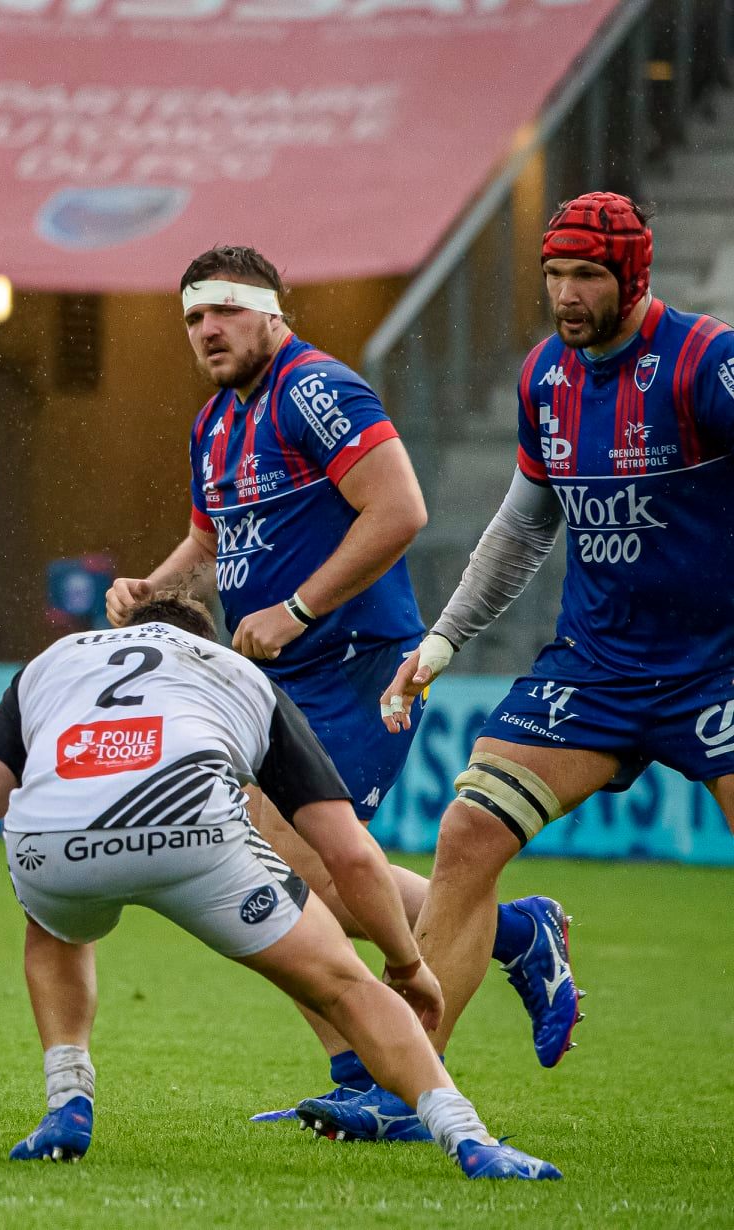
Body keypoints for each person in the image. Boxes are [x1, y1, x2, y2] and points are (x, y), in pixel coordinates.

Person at [104, 245, 574, 1136]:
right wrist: (149, 594)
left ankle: (390, 1058)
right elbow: (208, 550)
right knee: (270, 875)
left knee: (291, 873)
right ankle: (492, 952)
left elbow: (401, 508)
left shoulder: (315, 389)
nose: (207, 330)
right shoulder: (214, 423)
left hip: (359, 667)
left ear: (273, 312)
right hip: (276, 684)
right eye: (194, 318)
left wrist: (296, 605)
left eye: (225, 312)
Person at [0, 594, 560, 1181]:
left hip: (54, 844)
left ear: (128, 631)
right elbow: (348, 854)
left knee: (54, 925)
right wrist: (407, 963)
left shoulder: (54, 662)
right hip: (193, 831)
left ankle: (66, 1103)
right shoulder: (237, 673)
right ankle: (470, 1141)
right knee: (344, 987)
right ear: (204, 639)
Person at [368, 193, 734, 1138]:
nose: (567, 297)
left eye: (588, 278)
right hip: (599, 669)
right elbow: (525, 525)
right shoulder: (545, 377)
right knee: (465, 837)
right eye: (555, 276)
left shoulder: (707, 364)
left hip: (717, 668)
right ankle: (414, 1090)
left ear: (635, 278)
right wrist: (443, 640)